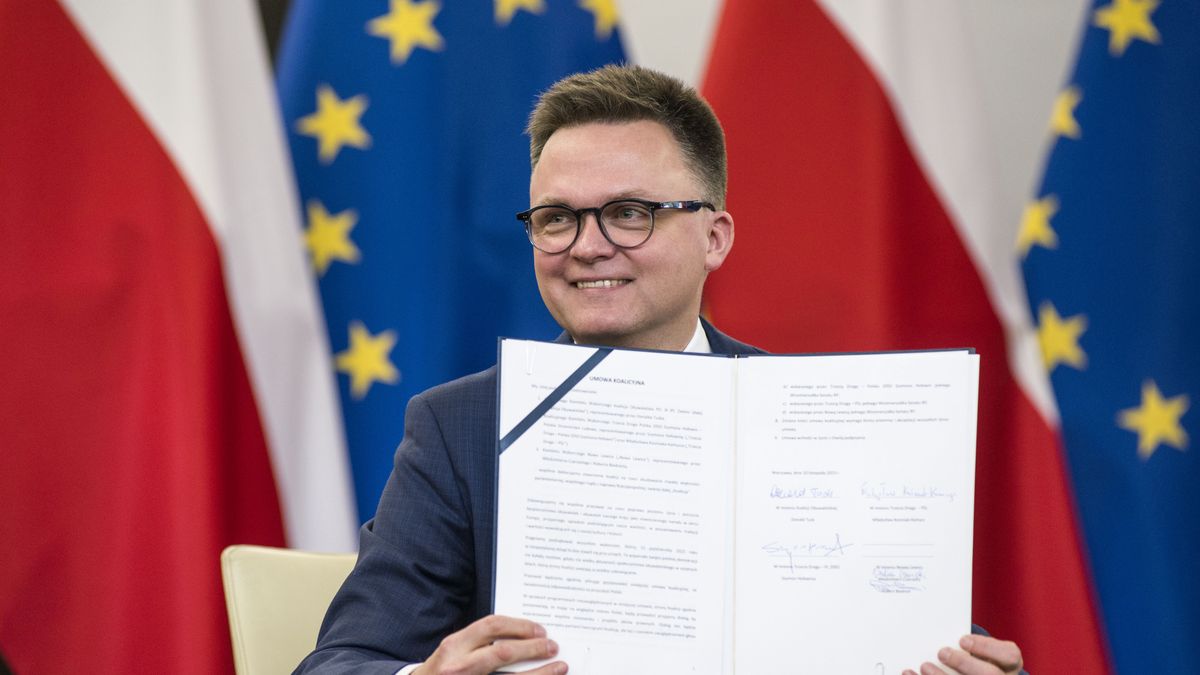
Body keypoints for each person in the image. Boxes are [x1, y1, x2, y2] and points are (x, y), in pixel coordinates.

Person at [295, 65, 1025, 675]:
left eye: (630, 212)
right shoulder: (459, 426)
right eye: (557, 218)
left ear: (715, 237)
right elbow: (339, 661)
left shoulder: (818, 420)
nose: (587, 245)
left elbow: (930, 639)